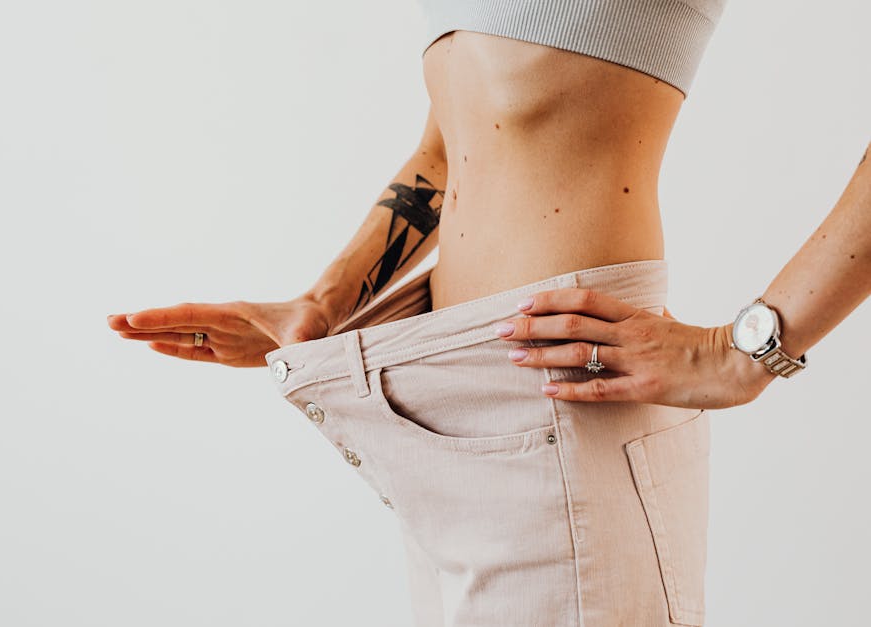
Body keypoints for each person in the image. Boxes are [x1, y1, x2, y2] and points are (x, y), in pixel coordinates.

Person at [108, 1, 870, 625]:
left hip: (569, 402)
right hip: (445, 411)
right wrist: (324, 303)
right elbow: (454, 145)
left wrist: (747, 351)